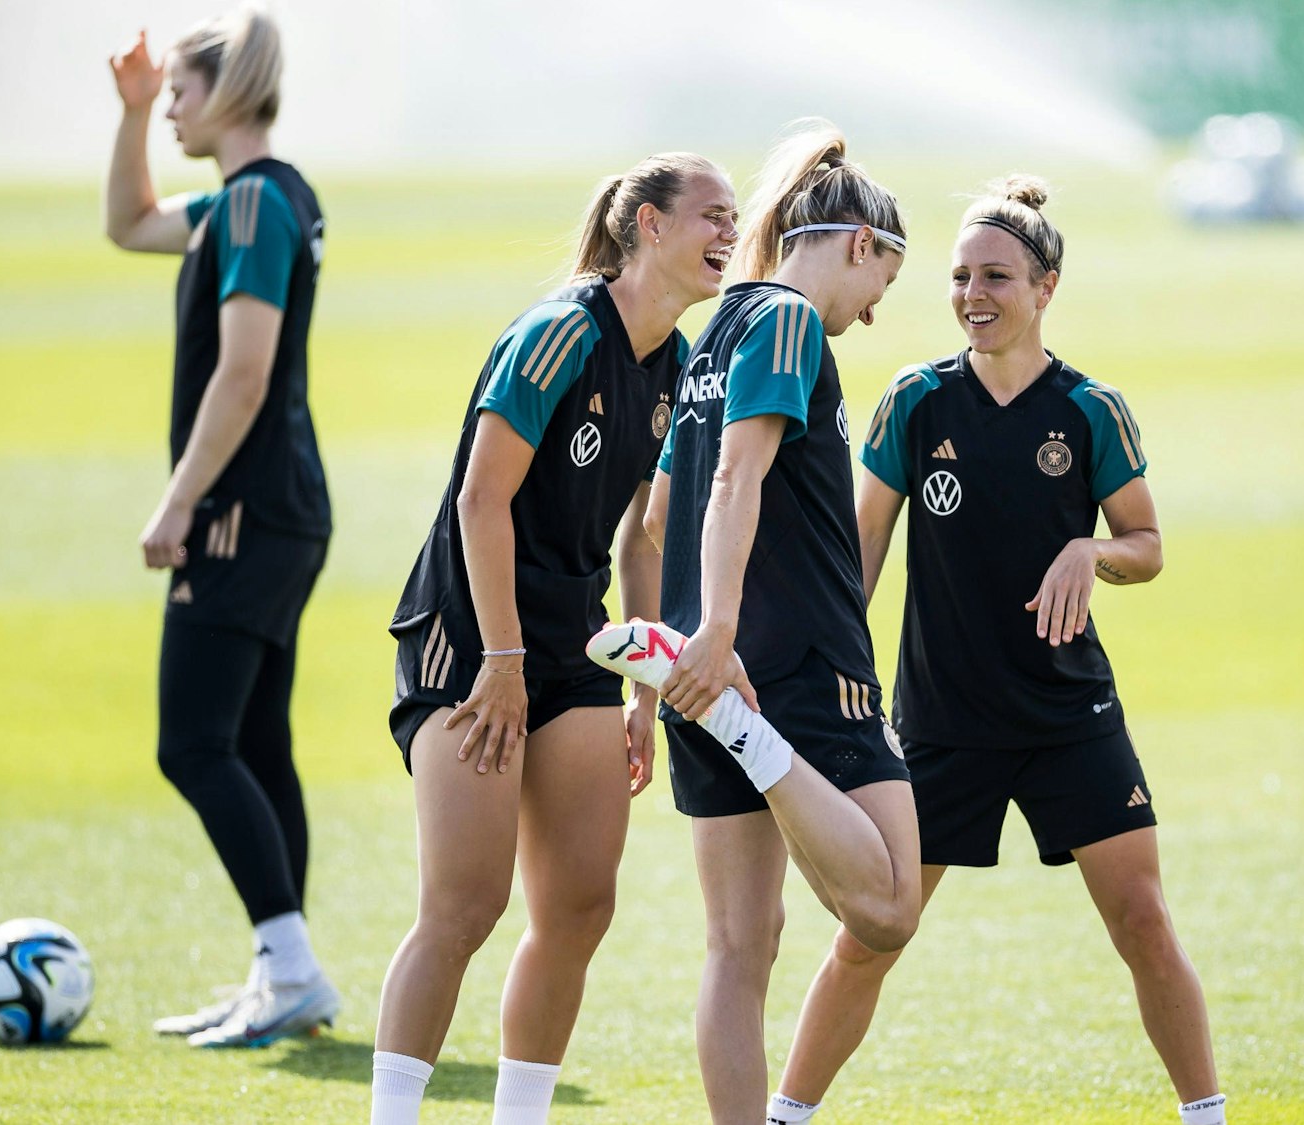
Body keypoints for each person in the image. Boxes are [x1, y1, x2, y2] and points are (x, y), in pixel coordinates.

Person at [764, 176, 1225, 1125]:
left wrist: (1090, 550)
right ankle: (786, 1115)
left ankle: (1207, 1114)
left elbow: (1147, 545)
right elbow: (858, 560)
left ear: (1046, 286)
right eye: (961, 276)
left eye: (998, 277)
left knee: (1142, 921)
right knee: (871, 936)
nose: (975, 294)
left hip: (1069, 716)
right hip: (941, 723)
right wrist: (826, 684)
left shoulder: (1092, 410)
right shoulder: (916, 401)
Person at [368, 154, 738, 1125]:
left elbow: (640, 535)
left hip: (574, 646)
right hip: (468, 641)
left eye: (734, 218)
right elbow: (479, 499)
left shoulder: (679, 364)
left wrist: (645, 691)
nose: (728, 233)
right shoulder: (557, 334)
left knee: (579, 906)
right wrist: (497, 665)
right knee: (464, 907)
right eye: (711, 214)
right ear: (649, 227)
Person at [607, 119, 921, 1125]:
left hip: (699, 673)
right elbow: (736, 477)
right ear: (859, 246)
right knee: (884, 906)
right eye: (883, 288)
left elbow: (649, 523)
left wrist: (655, 668)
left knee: (739, 949)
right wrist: (721, 643)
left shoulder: (711, 336)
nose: (871, 317)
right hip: (780, 668)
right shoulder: (785, 320)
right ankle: (755, 738)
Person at [105, 9, 338, 1047]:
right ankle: (278, 971)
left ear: (230, 92)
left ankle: (289, 967)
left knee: (192, 743)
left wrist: (180, 499)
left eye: (180, 97)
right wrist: (129, 111)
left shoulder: (248, 211)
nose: (172, 114)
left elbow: (243, 371)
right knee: (254, 740)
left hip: (245, 513)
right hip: (284, 509)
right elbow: (128, 223)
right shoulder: (259, 202)